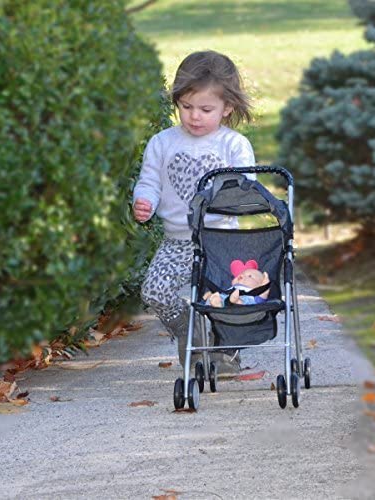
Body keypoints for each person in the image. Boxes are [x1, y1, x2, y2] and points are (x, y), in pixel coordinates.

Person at [133, 50, 254, 373]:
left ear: (227, 107)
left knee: (225, 299)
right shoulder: (162, 142)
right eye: (186, 107)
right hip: (177, 241)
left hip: (221, 238)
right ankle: (190, 331)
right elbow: (149, 182)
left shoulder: (233, 145)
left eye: (205, 109)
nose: (194, 117)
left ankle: (225, 352)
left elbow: (246, 186)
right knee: (155, 291)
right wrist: (144, 201)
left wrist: (227, 197)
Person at [204, 260, 270, 307]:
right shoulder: (232, 288)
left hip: (246, 305)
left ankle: (238, 302)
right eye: (241, 274)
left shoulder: (256, 294)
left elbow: (264, 292)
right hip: (228, 300)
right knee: (220, 296)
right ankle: (217, 303)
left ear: (259, 285)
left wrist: (265, 282)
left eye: (250, 276)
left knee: (247, 301)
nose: (242, 276)